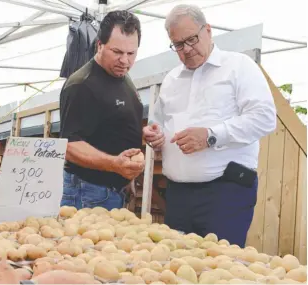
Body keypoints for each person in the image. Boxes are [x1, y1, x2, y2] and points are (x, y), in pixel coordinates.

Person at [143, 4, 276, 247]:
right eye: (178, 45)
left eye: (192, 39)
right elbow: (158, 121)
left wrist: (211, 136)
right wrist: (154, 132)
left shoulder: (239, 66)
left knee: (220, 269)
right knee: (174, 266)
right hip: (178, 195)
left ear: (208, 31)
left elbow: (265, 117)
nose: (187, 50)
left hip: (225, 194)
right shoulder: (171, 79)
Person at [59, 10, 146, 211]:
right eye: (117, 52)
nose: (125, 60)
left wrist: (127, 176)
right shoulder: (82, 84)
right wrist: (115, 164)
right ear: (99, 45)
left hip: (113, 190)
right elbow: (70, 146)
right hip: (89, 192)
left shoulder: (123, 77)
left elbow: (113, 128)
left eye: (131, 53)